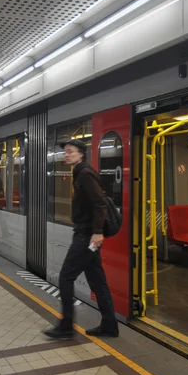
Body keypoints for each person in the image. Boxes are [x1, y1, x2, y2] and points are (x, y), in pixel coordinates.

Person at [44, 139, 119, 339]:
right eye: (65, 152)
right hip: (86, 235)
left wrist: (97, 232)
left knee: (65, 277)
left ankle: (66, 326)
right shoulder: (79, 172)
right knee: (97, 280)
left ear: (81, 154)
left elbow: (99, 204)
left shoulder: (85, 174)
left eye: (70, 152)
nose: (66, 155)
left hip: (86, 237)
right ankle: (110, 325)